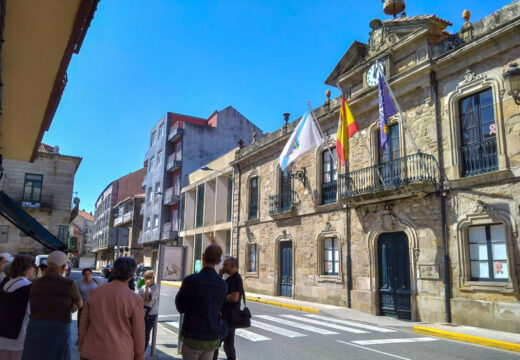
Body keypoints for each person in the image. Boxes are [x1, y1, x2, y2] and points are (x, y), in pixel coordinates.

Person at [79, 257, 145, 360]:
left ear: (114, 271)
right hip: (121, 354)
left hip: (91, 352)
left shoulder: (95, 293)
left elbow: (83, 323)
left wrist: (82, 346)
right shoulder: (135, 300)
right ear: (132, 275)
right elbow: (139, 334)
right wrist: (139, 356)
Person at [22, 250, 82, 360]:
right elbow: (80, 303)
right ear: (63, 267)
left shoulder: (34, 283)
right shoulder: (69, 284)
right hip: (59, 327)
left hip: (35, 326)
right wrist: (72, 304)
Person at [175, 244, 228, 360]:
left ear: (203, 257)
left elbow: (180, 306)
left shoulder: (190, 281)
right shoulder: (223, 284)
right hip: (211, 337)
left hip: (192, 336)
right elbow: (221, 308)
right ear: (219, 261)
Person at [0, 254, 35, 360]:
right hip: (19, 336)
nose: (34, 269)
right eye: (33, 266)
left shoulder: (7, 283)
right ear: (28, 269)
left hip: (3, 333)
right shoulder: (28, 286)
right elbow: (30, 312)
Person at [212, 256, 243, 360]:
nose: (224, 267)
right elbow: (217, 286)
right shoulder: (230, 278)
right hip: (227, 317)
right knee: (228, 345)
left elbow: (234, 297)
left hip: (228, 317)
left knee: (215, 344)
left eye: (226, 265)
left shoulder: (236, 279)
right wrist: (220, 274)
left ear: (233, 265)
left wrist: (221, 297)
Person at [75, 269, 99, 338]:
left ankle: (89, 337)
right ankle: (80, 336)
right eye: (85, 274)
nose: (87, 275)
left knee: (92, 322)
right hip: (82, 305)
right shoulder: (78, 283)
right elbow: (76, 294)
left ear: (91, 274)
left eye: (89, 274)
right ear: (83, 275)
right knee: (80, 322)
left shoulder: (96, 283)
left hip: (93, 306)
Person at [141, 270, 159, 351]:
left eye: (150, 277)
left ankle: (142, 352)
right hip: (141, 312)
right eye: (146, 277)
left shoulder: (156, 287)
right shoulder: (142, 286)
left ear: (153, 278)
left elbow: (147, 299)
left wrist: (147, 287)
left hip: (150, 313)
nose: (148, 279)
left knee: (146, 333)